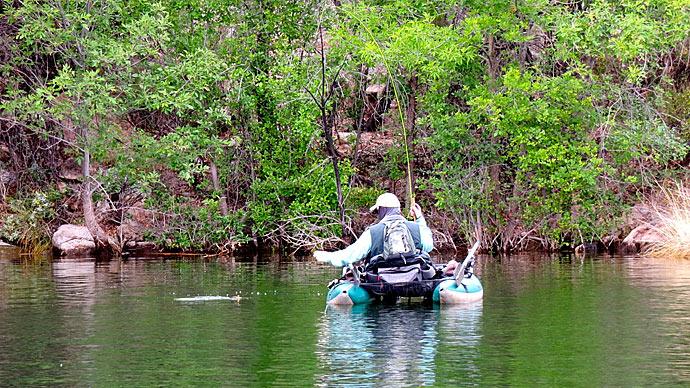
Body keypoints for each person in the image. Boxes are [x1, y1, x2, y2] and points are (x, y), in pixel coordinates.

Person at [314, 192, 433, 268]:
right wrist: (419, 218)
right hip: (412, 276)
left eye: (377, 211)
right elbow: (429, 246)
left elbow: (351, 255)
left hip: (382, 281)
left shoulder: (372, 232)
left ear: (382, 210)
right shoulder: (417, 228)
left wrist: (328, 257)